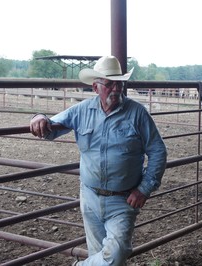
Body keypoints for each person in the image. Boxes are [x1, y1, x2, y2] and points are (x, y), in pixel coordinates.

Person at [29, 56, 167, 266]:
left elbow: (158, 151)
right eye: (109, 83)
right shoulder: (81, 111)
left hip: (122, 200)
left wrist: (144, 189)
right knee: (98, 254)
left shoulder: (137, 113)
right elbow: (50, 127)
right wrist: (39, 116)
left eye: (119, 83)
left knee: (116, 253)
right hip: (90, 197)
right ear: (95, 87)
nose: (116, 88)